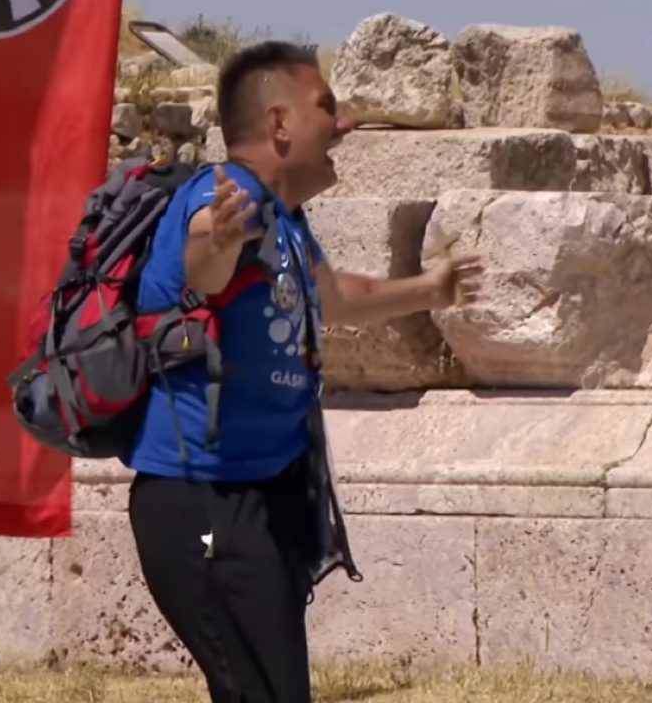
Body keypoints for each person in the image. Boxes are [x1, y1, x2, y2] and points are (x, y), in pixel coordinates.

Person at [123, 41, 483, 703]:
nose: (346, 123)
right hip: (205, 506)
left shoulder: (285, 222)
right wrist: (217, 241)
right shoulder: (224, 197)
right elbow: (205, 263)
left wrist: (430, 289)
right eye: (328, 106)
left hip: (263, 498)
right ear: (280, 124)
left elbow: (335, 296)